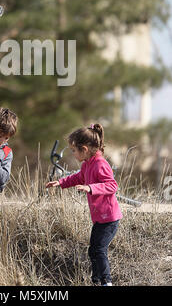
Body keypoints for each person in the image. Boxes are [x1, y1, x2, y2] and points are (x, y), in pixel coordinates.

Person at [46, 123, 122, 286]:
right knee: (93, 250)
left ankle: (106, 282)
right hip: (99, 218)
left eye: (74, 150)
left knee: (99, 250)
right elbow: (78, 178)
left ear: (85, 149)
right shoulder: (87, 164)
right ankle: (96, 280)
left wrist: (90, 187)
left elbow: (112, 185)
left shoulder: (100, 164)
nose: (72, 154)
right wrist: (60, 182)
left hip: (109, 218)